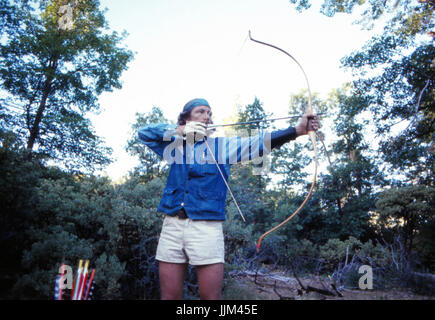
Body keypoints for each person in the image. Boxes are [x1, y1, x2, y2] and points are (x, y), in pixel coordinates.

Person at [138, 98, 319, 300]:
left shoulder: (223, 147)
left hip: (206, 228)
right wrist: (179, 131)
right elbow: (143, 133)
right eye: (200, 112)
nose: (206, 116)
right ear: (186, 118)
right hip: (172, 225)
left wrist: (297, 130)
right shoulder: (173, 145)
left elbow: (258, 142)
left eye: (209, 113)